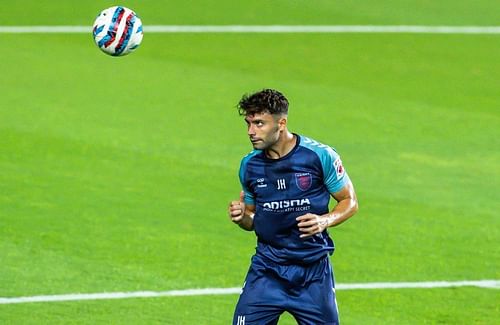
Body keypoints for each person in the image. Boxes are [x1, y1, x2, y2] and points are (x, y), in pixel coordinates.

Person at [228, 89, 359, 325]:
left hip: (313, 274)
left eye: (259, 123)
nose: (251, 131)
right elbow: (251, 220)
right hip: (266, 271)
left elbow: (350, 201)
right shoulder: (249, 166)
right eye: (248, 123)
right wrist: (242, 217)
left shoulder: (319, 156)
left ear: (281, 123)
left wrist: (324, 221)